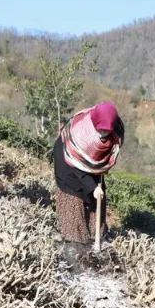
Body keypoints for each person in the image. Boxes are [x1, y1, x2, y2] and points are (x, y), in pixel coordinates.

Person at [53, 102, 124, 255]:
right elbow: (78, 169)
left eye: (107, 131)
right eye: (101, 130)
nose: (104, 133)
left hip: (94, 161)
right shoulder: (81, 134)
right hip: (69, 160)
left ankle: (95, 236)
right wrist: (92, 187)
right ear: (95, 125)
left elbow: (115, 144)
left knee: (98, 196)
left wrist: (96, 186)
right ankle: (75, 242)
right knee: (75, 195)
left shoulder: (116, 128)